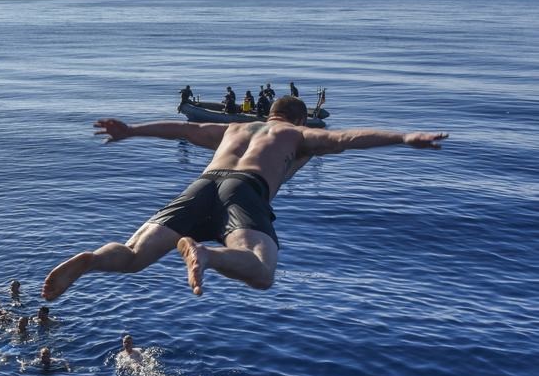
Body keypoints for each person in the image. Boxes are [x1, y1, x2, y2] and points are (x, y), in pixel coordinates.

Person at [42, 96, 447, 300]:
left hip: (202, 185)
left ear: (269, 112)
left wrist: (131, 131)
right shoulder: (295, 134)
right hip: (245, 189)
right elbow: (344, 139)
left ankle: (90, 261)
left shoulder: (235, 129)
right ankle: (207, 254)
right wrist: (403, 137)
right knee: (261, 272)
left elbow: (184, 130)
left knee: (132, 257)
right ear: (300, 119)